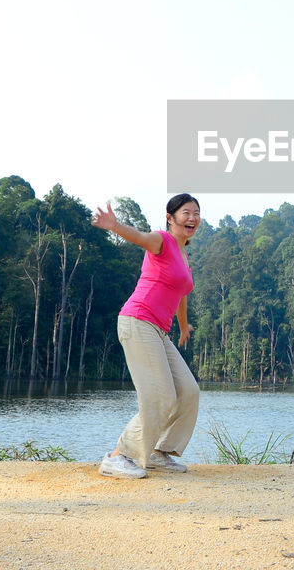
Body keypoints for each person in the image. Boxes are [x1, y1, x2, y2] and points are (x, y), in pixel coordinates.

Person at [91, 194, 202, 478]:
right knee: (159, 395)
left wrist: (184, 325)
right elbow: (139, 237)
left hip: (158, 330)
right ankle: (118, 456)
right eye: (186, 212)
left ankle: (159, 453)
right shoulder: (161, 241)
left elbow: (181, 295)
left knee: (188, 391)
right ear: (170, 217)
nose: (192, 218)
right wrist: (114, 225)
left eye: (196, 213)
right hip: (138, 320)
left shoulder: (183, 255)